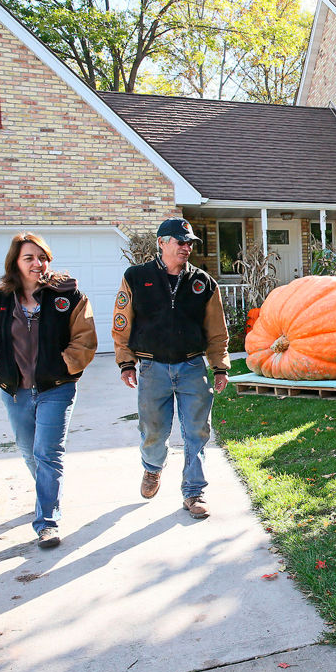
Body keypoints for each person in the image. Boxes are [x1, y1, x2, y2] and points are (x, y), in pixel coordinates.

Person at [0, 233, 97, 548]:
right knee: (28, 451)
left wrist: (65, 366)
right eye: (29, 258)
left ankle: (47, 522)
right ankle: (47, 496)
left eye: (43, 257)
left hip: (57, 388)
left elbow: (85, 338)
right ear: (15, 263)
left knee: (47, 453)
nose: (38, 264)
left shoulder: (69, 296)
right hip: (16, 391)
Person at [113, 218, 230, 519]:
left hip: (192, 366)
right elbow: (121, 323)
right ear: (162, 242)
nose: (186, 247)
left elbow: (217, 331)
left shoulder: (203, 282)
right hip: (152, 368)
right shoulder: (136, 277)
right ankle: (152, 468)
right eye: (180, 241)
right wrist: (126, 361)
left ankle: (194, 492)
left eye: (190, 242)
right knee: (153, 432)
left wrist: (219, 367)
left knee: (197, 431)